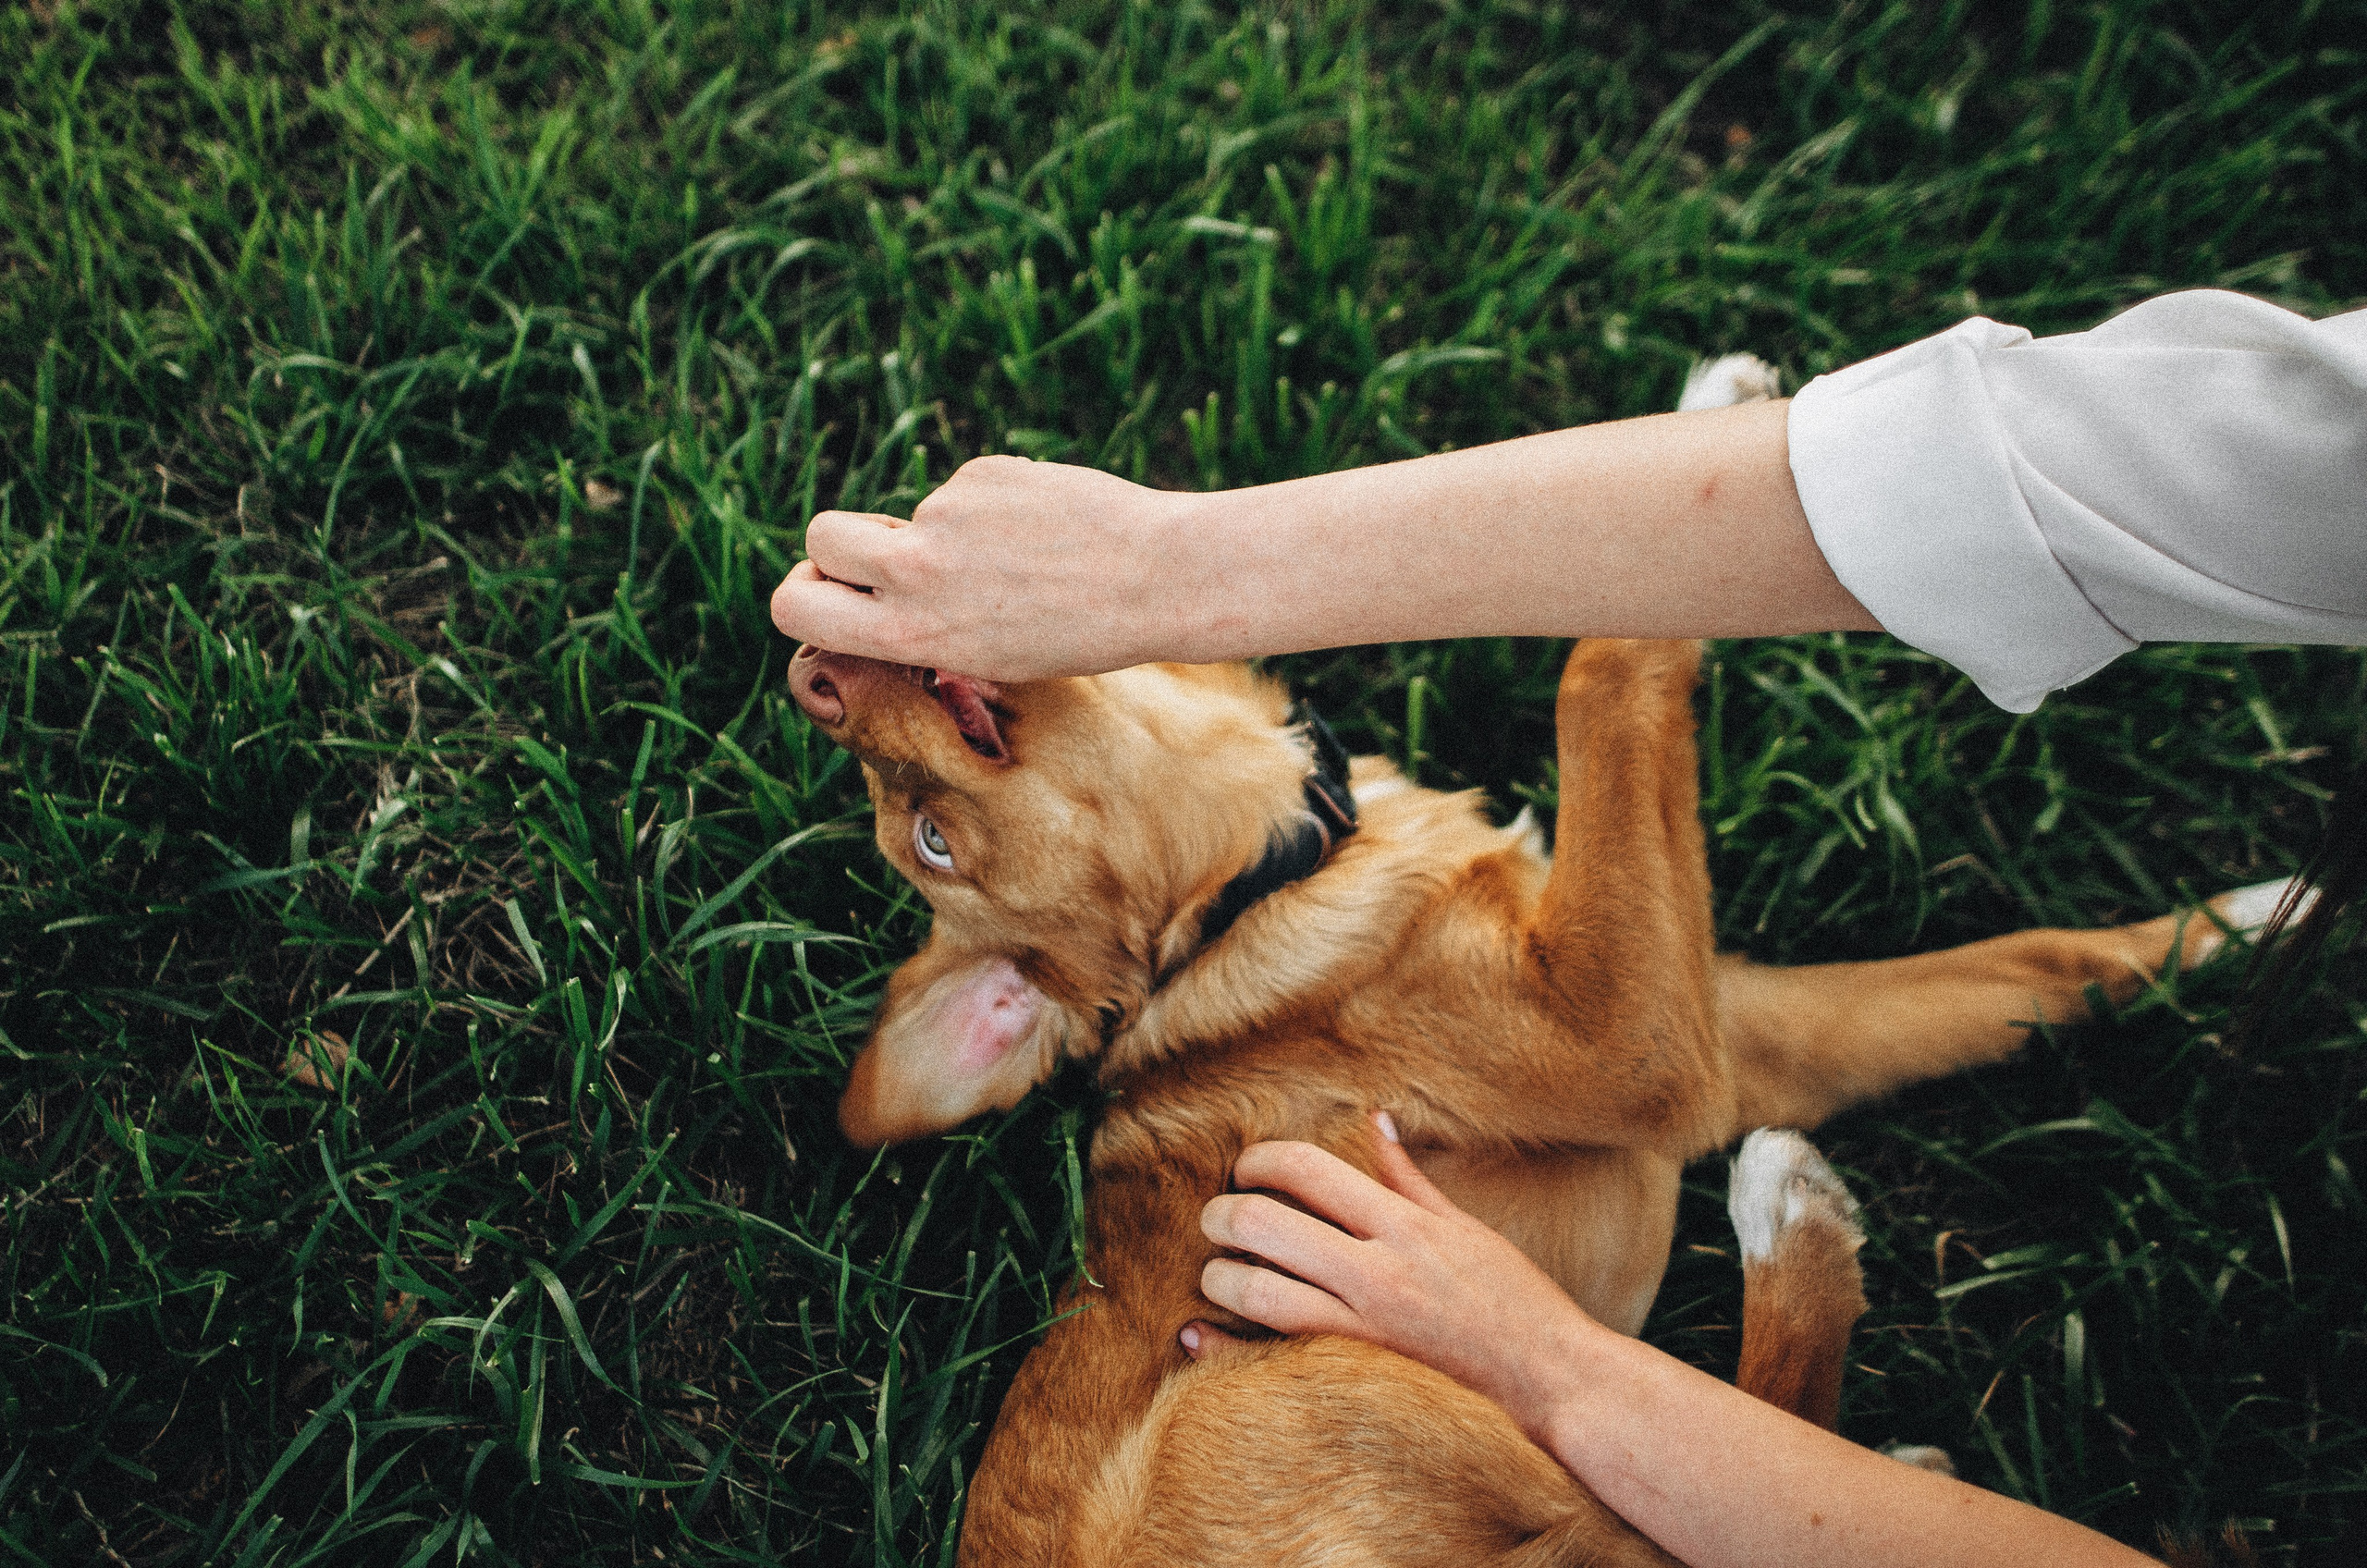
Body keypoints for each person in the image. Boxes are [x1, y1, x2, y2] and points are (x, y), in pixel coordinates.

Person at [768, 289, 2365, 1566]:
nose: (872, 732)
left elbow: (1731, 1052)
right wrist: (1626, 663)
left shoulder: (1315, 958)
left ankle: (2169, 960)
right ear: (1027, 1001)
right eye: (932, 838)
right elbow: (1647, 1063)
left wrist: (2140, 955)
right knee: (1243, 1444)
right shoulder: (1243, 1011)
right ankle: (1775, 1427)